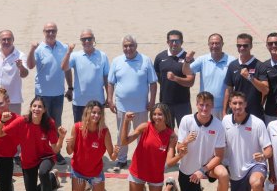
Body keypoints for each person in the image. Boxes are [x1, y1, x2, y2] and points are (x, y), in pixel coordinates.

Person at [169, 92, 230, 191]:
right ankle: (176, 186)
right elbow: (179, 149)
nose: (204, 108)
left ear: (212, 106)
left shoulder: (218, 125)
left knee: (223, 174)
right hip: (188, 169)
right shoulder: (186, 120)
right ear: (196, 105)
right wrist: (185, 141)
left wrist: (202, 170)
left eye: (207, 105)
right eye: (201, 105)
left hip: (208, 167)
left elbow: (219, 156)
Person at [0, 97, 66, 191]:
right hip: (28, 160)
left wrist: (61, 137)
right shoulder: (22, 121)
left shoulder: (49, 122)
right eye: (34, 106)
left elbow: (55, 150)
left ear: (44, 110)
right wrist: (2, 121)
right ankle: (52, 179)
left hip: (46, 156)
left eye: (40, 106)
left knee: (43, 172)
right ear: (30, 108)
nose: (37, 109)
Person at [222, 91, 272, 191]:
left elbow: (269, 150)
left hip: (255, 165)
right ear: (230, 104)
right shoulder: (225, 121)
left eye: (240, 103)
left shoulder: (257, 123)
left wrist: (263, 155)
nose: (237, 106)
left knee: (255, 182)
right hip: (236, 170)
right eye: (234, 103)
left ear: (246, 104)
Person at [107, 35, 158, 170]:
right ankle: (122, 159)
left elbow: (153, 83)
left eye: (131, 45)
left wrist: (152, 101)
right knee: (121, 134)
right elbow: (111, 83)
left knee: (142, 134)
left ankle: (141, 158)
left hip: (141, 107)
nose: (128, 48)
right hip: (121, 107)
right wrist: (110, 100)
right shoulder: (116, 61)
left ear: (136, 46)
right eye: (125, 46)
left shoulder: (146, 60)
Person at [120, 104, 178, 191]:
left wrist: (180, 155)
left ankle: (169, 186)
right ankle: (141, 188)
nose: (156, 117)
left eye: (160, 114)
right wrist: (126, 121)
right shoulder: (145, 126)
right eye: (154, 114)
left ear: (166, 116)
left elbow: (169, 162)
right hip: (138, 170)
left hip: (155, 173)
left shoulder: (171, 135)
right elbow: (124, 142)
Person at [65, 100, 115, 191]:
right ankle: (82, 186)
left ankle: (91, 186)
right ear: (87, 112)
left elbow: (112, 157)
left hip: (95, 172)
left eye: (99, 113)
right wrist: (68, 144)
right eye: (93, 112)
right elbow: (69, 152)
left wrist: (116, 152)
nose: (96, 115)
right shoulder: (77, 127)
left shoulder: (104, 131)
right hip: (78, 172)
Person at [27, 22, 72, 133]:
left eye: (53, 31)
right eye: (48, 31)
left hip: (58, 94)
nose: (51, 33)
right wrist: (32, 50)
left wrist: (70, 88)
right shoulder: (38, 48)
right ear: (44, 32)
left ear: (56, 32)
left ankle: (56, 145)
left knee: (56, 125)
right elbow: (30, 66)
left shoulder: (64, 47)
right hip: (42, 95)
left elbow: (67, 69)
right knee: (41, 124)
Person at [61, 28, 109, 123]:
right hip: (79, 102)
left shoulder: (103, 56)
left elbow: (106, 77)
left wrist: (109, 97)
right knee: (79, 130)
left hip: (98, 102)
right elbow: (64, 67)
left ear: (93, 39)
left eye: (89, 38)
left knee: (98, 130)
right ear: (81, 41)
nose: (87, 41)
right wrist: (68, 52)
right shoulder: (75, 55)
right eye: (84, 39)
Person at [182, 33, 230, 118]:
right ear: (208, 44)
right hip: (206, 107)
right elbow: (186, 71)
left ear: (222, 44)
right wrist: (187, 61)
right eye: (212, 43)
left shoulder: (231, 60)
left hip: (225, 108)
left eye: (217, 43)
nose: (214, 46)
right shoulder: (202, 60)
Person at [222, 33, 268, 120]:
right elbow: (228, 90)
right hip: (236, 112)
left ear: (251, 46)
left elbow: (265, 90)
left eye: (245, 45)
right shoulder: (232, 65)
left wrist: (250, 77)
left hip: (255, 113)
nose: (242, 48)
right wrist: (224, 111)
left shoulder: (260, 65)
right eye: (239, 45)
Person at [154, 29, 193, 125]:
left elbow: (190, 82)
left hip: (183, 104)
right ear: (167, 42)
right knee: (166, 131)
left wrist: (175, 78)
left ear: (182, 42)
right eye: (172, 41)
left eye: (177, 41)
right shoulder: (160, 57)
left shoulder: (188, 58)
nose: (174, 43)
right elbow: (158, 77)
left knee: (186, 131)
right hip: (165, 103)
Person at [0, 29, 28, 114]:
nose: (6, 41)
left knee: (13, 123)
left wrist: (21, 67)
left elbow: (24, 74)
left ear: (13, 40)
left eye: (9, 39)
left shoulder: (21, 55)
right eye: (4, 39)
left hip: (13, 101)